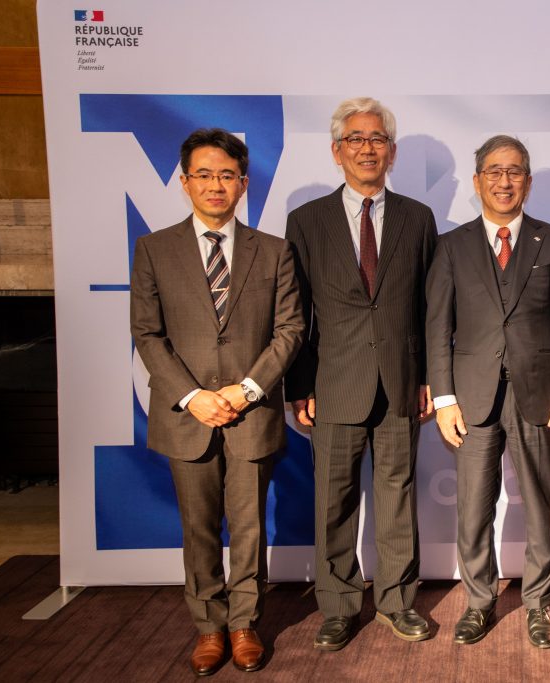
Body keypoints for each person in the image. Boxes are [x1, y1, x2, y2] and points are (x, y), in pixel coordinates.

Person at [130, 128, 305, 675]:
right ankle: (208, 626)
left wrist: (246, 390)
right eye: (204, 174)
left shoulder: (274, 251)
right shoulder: (154, 249)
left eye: (227, 175)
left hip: (250, 411)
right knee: (199, 525)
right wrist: (192, 397)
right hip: (188, 415)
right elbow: (147, 333)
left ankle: (243, 623)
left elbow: (290, 330)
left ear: (243, 184)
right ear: (184, 182)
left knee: (249, 526)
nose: (215, 185)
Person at [284, 97, 438, 651]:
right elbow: (294, 311)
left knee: (398, 499)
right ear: (336, 151)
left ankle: (397, 602)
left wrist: (428, 379)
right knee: (334, 500)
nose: (367, 148)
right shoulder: (306, 221)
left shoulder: (418, 219)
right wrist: (299, 386)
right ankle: (340, 606)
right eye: (356, 139)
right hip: (332, 385)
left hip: (401, 383)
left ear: (391, 152)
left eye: (377, 139)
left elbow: (427, 306)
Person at [426, 135, 550, 648]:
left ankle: (539, 603)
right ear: (477, 182)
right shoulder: (451, 246)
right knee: (474, 507)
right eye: (494, 172)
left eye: (514, 171)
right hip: (471, 401)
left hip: (540, 396)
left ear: (528, 182)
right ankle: (479, 602)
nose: (504, 181)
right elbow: (437, 327)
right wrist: (445, 397)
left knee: (543, 504)